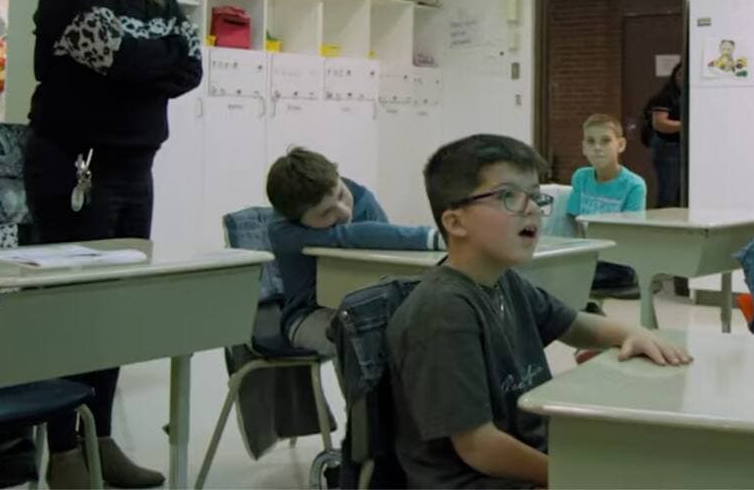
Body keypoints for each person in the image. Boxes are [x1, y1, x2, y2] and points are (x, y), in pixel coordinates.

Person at [24, 0, 202, 488]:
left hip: (135, 167)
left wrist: (141, 64)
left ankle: (99, 441)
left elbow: (192, 66)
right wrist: (150, 63)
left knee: (115, 312)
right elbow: (121, 59)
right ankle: (64, 452)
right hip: (74, 169)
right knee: (74, 314)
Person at [388, 134, 691, 488]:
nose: (530, 207)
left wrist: (632, 333)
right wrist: (574, 475)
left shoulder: (504, 282)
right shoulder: (444, 311)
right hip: (476, 478)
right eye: (508, 196)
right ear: (455, 223)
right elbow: (479, 447)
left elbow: (575, 324)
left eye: (534, 195)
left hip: (528, 452)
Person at [266, 147, 442, 357]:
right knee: (361, 344)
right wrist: (434, 237)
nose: (344, 212)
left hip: (369, 308)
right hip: (308, 315)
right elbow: (347, 236)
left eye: (341, 195)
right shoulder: (283, 230)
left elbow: (390, 256)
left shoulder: (361, 197)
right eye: (326, 213)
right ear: (297, 220)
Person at [567, 113, 645, 298]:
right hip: (588, 255)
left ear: (621, 145)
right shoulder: (581, 177)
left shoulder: (634, 185)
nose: (597, 148)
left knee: (571, 278)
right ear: (583, 147)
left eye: (605, 141)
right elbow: (574, 221)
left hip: (619, 262)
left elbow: (630, 234)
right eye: (591, 141)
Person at [648, 62, 683, 208]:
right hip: (668, 147)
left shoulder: (691, 96)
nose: (683, 79)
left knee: (682, 193)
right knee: (668, 193)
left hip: (684, 147)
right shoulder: (666, 96)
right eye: (680, 74)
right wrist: (686, 126)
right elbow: (660, 123)